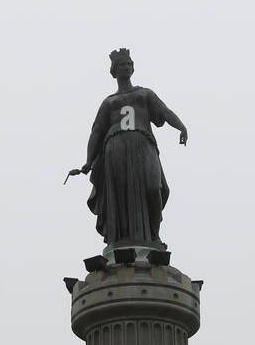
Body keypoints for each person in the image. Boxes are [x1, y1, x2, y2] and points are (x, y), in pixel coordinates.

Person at [74, 48, 187, 250]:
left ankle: (153, 236)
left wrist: (181, 126)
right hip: (115, 148)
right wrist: (89, 161)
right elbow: (97, 131)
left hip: (143, 144)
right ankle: (121, 239)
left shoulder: (144, 94)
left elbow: (164, 111)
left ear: (133, 68)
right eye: (121, 65)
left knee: (154, 188)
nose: (125, 67)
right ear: (114, 71)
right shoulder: (108, 102)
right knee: (120, 193)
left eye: (128, 64)